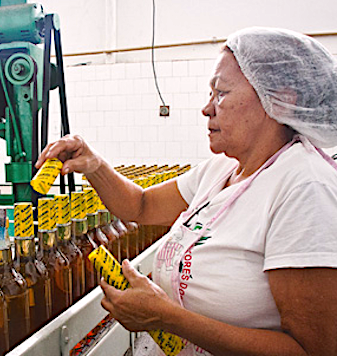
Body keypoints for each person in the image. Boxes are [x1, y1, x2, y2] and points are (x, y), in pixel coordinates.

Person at [36, 27, 337, 355]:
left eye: (220, 93)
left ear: (278, 99)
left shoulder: (304, 189)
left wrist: (166, 317)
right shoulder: (222, 169)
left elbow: (310, 350)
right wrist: (94, 165)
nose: (207, 108)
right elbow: (140, 205)